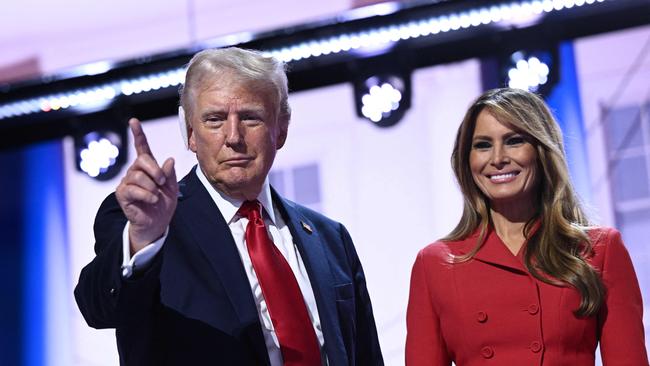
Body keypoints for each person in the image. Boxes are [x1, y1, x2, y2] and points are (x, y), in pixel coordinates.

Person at [75, 47, 383, 366]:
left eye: (250, 117)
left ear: (281, 129)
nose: (233, 137)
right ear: (191, 134)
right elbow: (98, 308)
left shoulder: (330, 238)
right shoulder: (147, 223)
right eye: (215, 119)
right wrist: (144, 237)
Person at [406, 88, 648, 365]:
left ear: (542, 151)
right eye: (483, 145)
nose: (497, 158)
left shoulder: (598, 249)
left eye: (514, 141)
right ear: (466, 160)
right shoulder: (435, 263)